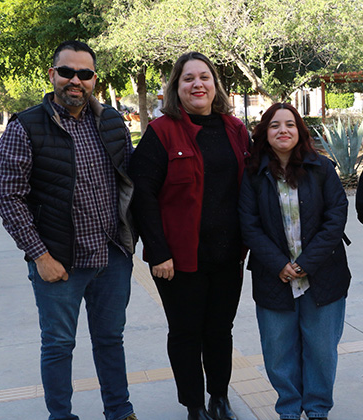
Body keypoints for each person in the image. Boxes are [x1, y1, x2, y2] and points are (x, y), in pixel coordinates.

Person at [0, 40, 138, 420]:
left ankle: (120, 412)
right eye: (68, 72)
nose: (76, 81)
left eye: (85, 74)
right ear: (52, 74)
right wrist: (40, 256)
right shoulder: (25, 126)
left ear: (94, 79)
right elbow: (7, 197)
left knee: (110, 340)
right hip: (59, 263)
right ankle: (61, 416)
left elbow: (132, 180)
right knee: (58, 345)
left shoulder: (112, 122)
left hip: (111, 258)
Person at [128, 51, 250, 420]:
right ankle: (194, 406)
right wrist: (158, 251)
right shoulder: (161, 132)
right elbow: (142, 194)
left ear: (215, 85)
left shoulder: (235, 128)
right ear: (176, 88)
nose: (197, 84)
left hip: (228, 254)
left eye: (204, 77)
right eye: (188, 79)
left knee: (219, 331)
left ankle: (219, 398)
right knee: (185, 332)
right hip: (179, 259)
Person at [238, 103, 350, 420]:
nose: (283, 130)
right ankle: (288, 409)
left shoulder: (322, 169)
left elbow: (336, 218)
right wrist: (279, 264)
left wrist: (305, 263)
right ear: (265, 133)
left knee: (321, 350)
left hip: (323, 276)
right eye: (275, 125)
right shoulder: (254, 175)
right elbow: (249, 225)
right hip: (273, 277)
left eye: (290, 124)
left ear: (300, 131)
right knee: (278, 351)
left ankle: (316, 410)